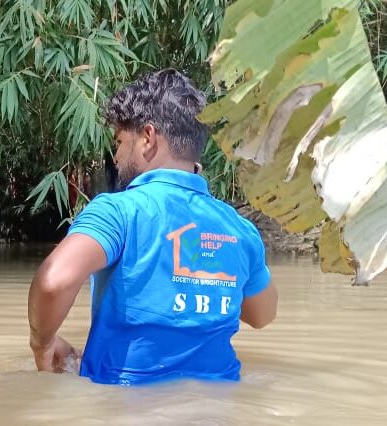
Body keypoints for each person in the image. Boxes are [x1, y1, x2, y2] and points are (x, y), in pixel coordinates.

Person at [27, 69, 278, 384]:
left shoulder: (118, 212)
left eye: (119, 142)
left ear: (147, 137)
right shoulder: (240, 229)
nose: (116, 157)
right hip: (219, 409)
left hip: (126, 409)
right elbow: (263, 315)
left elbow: (53, 281)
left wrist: (43, 342)